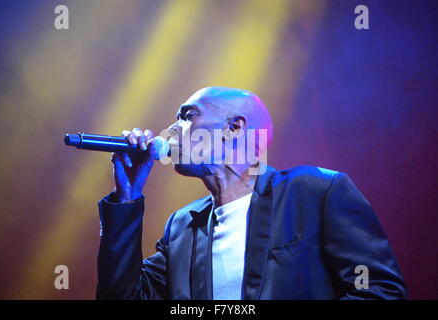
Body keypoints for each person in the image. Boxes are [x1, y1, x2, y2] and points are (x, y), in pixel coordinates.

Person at [96, 87, 407, 299]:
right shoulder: (182, 226)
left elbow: (380, 290)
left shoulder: (314, 192)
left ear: (234, 128)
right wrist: (126, 197)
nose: (171, 128)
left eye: (188, 116)